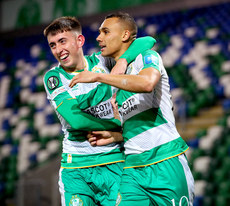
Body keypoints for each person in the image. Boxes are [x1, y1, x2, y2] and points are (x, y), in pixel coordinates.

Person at [69, 12, 195, 206]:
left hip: (164, 160)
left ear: (125, 35)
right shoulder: (117, 75)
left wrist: (98, 77)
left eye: (105, 31)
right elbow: (135, 118)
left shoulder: (147, 56)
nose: (98, 37)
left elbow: (146, 83)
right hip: (133, 168)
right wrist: (117, 136)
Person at [43, 16, 156, 206]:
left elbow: (148, 41)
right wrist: (118, 127)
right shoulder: (54, 77)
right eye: (53, 45)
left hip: (114, 161)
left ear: (80, 41)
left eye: (63, 41)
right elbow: (77, 121)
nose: (58, 50)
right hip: (76, 168)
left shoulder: (103, 62)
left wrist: (123, 60)